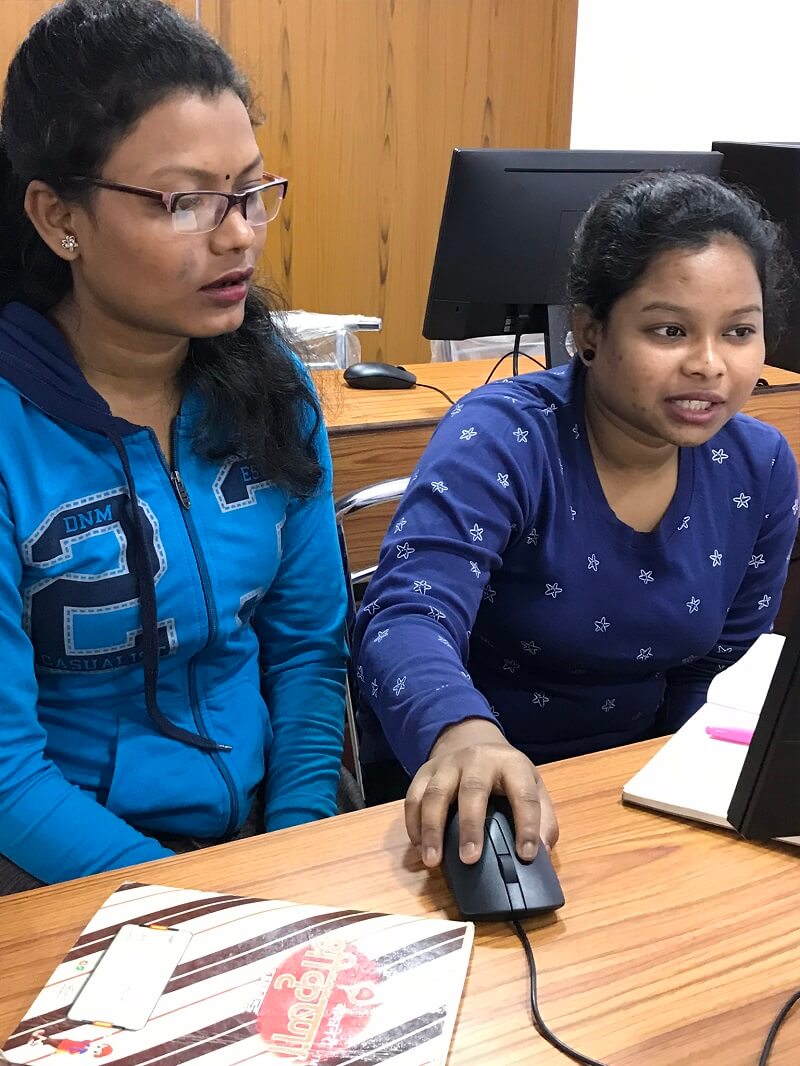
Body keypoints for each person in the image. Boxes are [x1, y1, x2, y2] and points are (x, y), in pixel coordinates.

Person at [353, 171, 799, 870]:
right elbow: (407, 613)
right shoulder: (504, 437)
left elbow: (714, 670)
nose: (710, 364)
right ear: (589, 330)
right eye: (669, 330)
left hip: (635, 790)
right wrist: (464, 736)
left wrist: (683, 794)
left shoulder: (761, 465)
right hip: (468, 785)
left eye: (739, 331)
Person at [0, 0, 347, 894]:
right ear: (56, 218)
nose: (238, 233)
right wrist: (202, 911)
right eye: (185, 200)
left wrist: (294, 846)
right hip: (55, 867)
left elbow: (307, 648)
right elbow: (6, 773)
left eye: (250, 191)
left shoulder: (271, 384)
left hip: (264, 837)